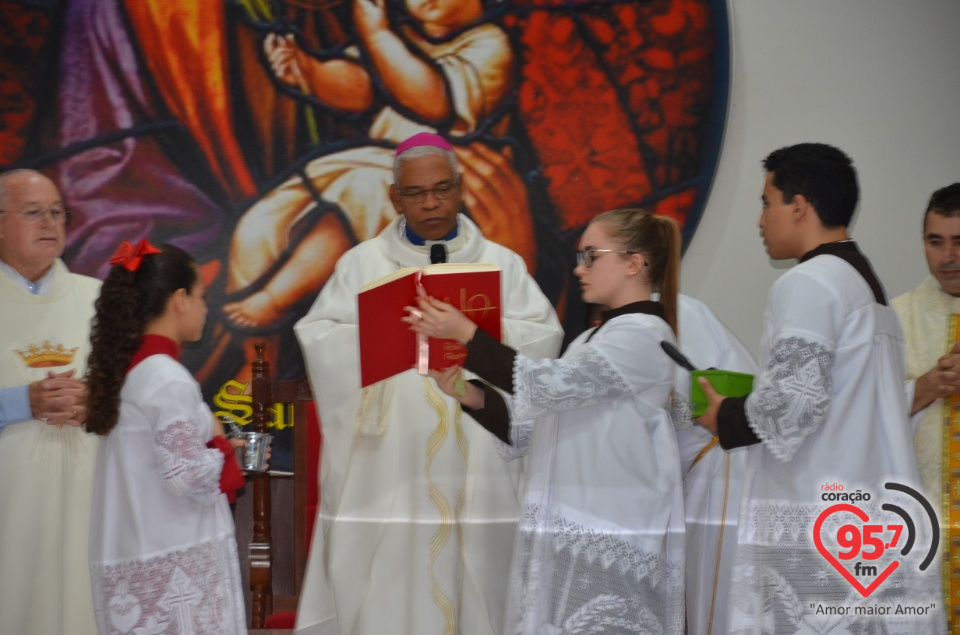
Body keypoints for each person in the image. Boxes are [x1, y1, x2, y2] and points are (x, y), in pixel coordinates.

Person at [293, 132, 563, 635]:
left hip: (477, 456)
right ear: (395, 197)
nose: (432, 203)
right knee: (392, 579)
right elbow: (320, 338)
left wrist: (476, 335)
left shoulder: (501, 264)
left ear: (461, 189)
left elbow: (542, 341)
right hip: (389, 462)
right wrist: (388, 335)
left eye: (443, 189)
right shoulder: (362, 265)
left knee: (480, 570)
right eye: (416, 193)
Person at [696, 143, 943, 632]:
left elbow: (792, 404)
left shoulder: (808, 282)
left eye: (767, 203)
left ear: (799, 206)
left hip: (816, 514)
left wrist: (722, 415)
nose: (761, 221)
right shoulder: (868, 289)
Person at [408, 208, 686, 634]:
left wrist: (467, 333)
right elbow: (534, 427)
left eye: (592, 256)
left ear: (635, 262)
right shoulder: (592, 338)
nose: (579, 269)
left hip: (610, 526)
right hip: (575, 521)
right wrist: (464, 391)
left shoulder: (644, 334)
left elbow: (547, 385)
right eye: (580, 256)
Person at [223, 0, 518, 328]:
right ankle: (260, 358)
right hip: (374, 165)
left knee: (367, 194)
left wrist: (376, 34)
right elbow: (361, 88)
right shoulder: (400, 38)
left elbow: (432, 100)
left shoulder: (489, 44)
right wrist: (310, 71)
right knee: (268, 219)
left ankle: (278, 297)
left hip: (450, 180)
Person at [84, 240, 248, 634]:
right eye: (202, 296)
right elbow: (186, 475)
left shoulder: (135, 370)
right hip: (175, 552)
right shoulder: (165, 377)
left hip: (143, 545)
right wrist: (226, 452)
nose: (206, 308)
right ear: (179, 300)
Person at [0, 168, 100, 634]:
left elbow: (140, 401)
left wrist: (96, 402)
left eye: (57, 213)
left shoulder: (101, 300)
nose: (50, 223)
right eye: (34, 212)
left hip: (89, 500)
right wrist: (23, 402)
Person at [891, 182, 960, 629]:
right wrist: (929, 386)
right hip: (923, 527)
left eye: (959, 242)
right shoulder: (895, 318)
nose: (947, 256)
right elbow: (861, 413)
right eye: (935, 242)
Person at [672, 294, 757, 635]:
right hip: (694, 479)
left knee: (716, 603)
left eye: (593, 257)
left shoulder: (679, 313)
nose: (581, 271)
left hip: (720, 474)